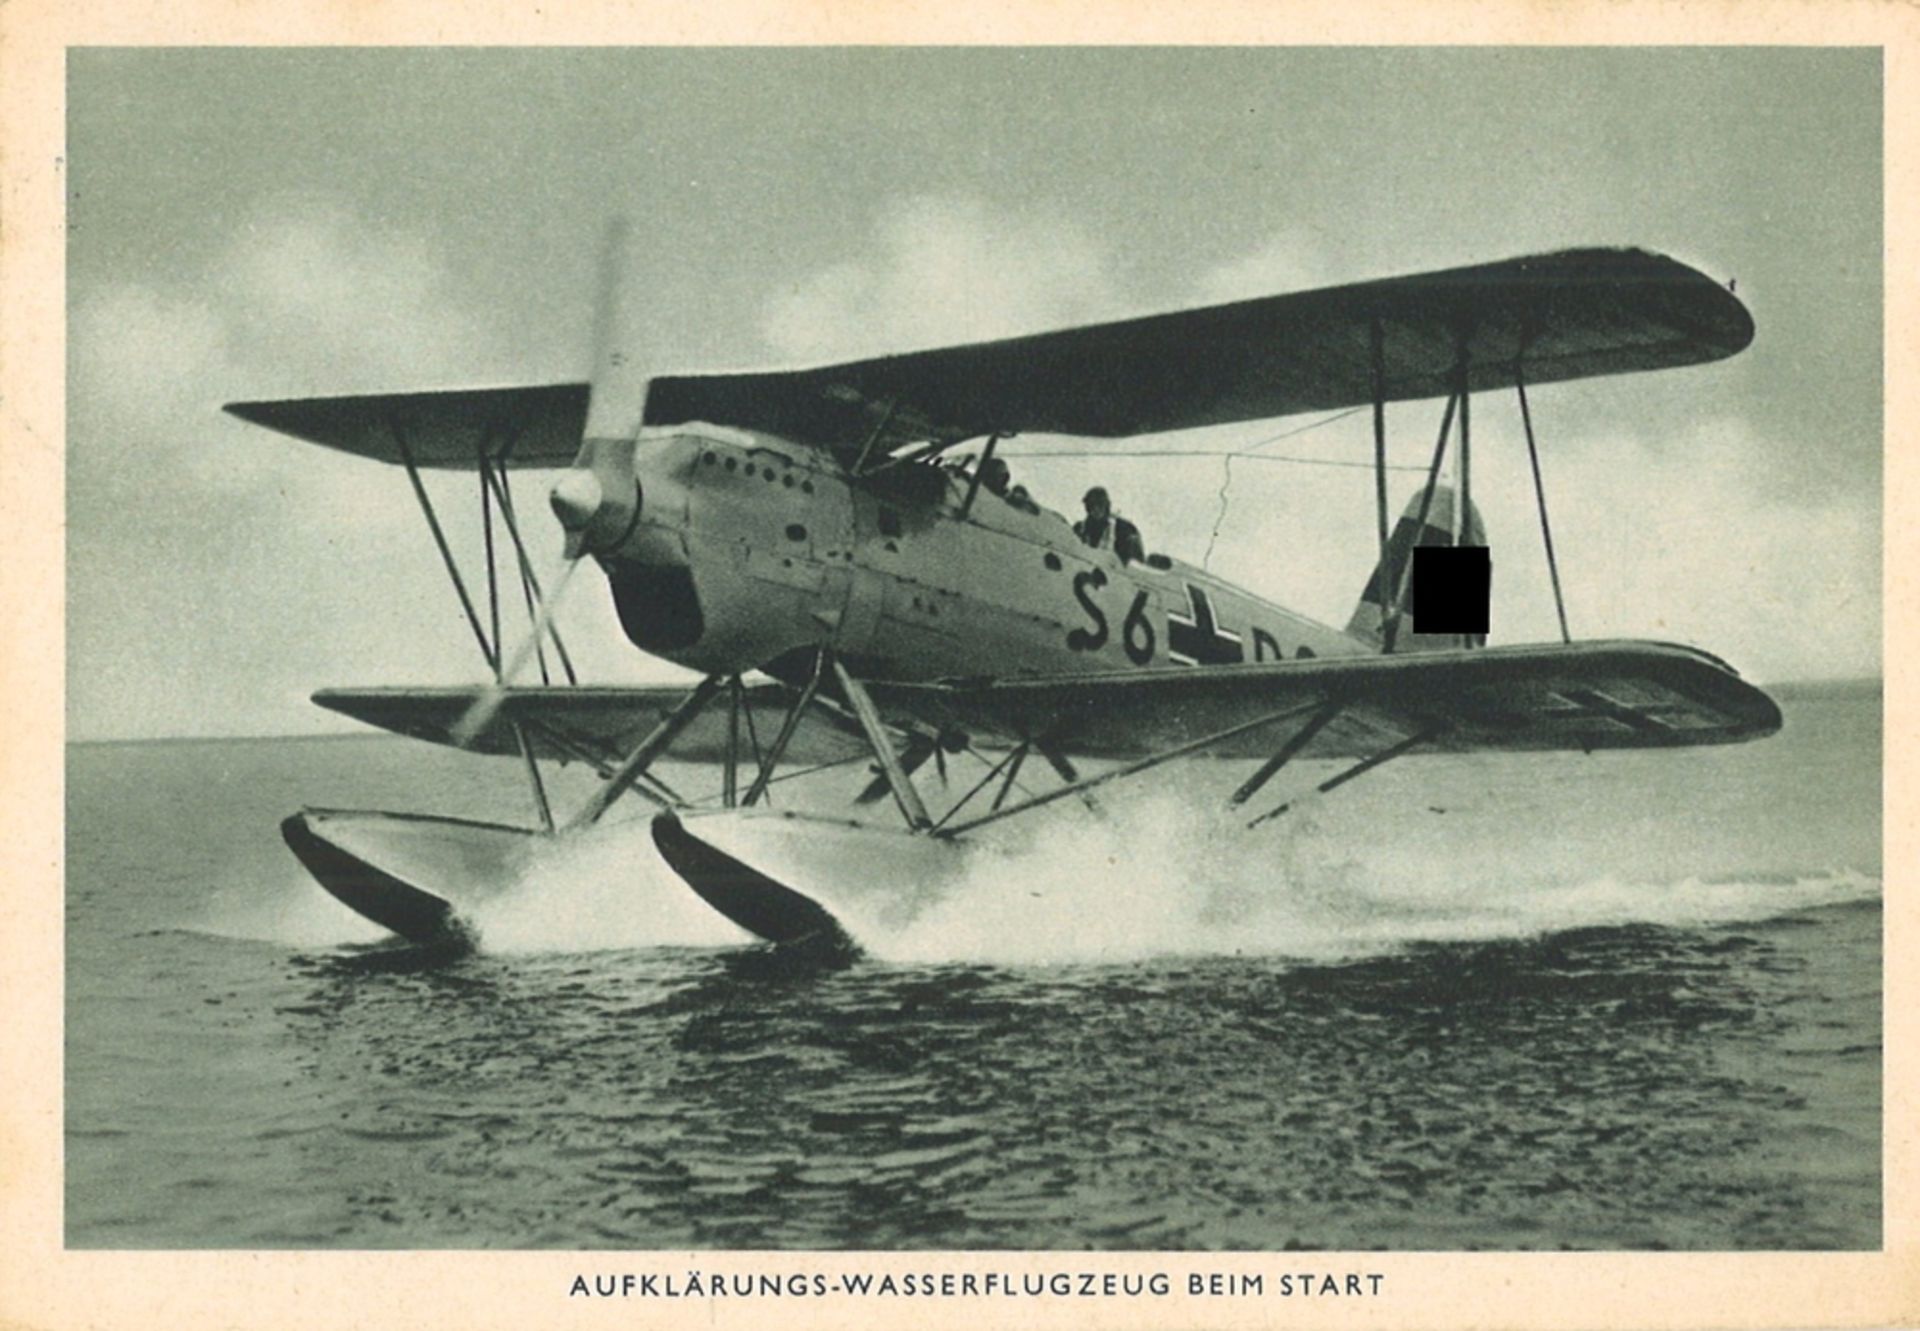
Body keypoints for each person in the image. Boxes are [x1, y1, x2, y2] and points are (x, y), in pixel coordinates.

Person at [1075, 486, 1144, 563]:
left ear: (1106, 506)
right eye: (1091, 505)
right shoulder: (1080, 529)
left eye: (1100, 505)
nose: (1096, 509)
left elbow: (1135, 563)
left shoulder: (1123, 529)